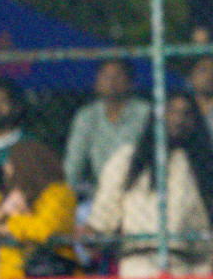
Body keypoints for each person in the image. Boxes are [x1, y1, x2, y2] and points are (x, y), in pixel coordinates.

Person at [83, 92, 213, 279]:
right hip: (138, 263)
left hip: (188, 266)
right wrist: (94, 231)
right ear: (158, 117)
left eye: (186, 114)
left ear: (196, 122)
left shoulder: (200, 165)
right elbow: (105, 213)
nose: (178, 120)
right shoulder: (128, 160)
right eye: (171, 112)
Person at [0, 139, 77, 279]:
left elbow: (45, 229)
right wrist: (1, 211)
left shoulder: (59, 194)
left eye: (11, 161)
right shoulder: (3, 199)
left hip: (51, 277)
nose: (5, 167)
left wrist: (7, 227)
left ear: (26, 165)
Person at [63, 59, 151, 204]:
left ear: (131, 82)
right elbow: (73, 164)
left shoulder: (145, 113)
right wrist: (64, 197)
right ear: (97, 82)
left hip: (139, 192)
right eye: (106, 76)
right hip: (100, 194)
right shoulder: (86, 116)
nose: (111, 82)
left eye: (118, 76)